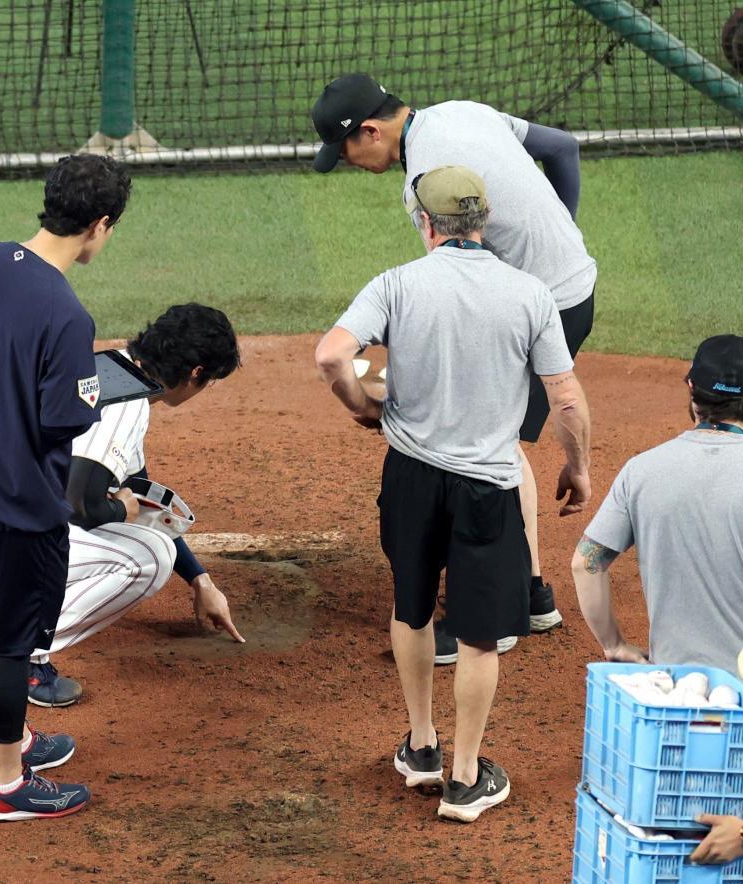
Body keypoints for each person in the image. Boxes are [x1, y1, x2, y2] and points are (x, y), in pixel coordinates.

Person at [315, 165, 591, 822]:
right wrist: (577, 466)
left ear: (425, 222)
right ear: (483, 221)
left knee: (411, 608)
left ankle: (420, 747)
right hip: (489, 486)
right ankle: (465, 779)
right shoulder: (528, 294)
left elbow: (332, 355)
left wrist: (366, 408)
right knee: (478, 638)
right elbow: (568, 399)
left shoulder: (397, 285)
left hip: (411, 475)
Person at [311, 73, 598, 660]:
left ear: (370, 131)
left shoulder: (425, 180)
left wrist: (388, 391)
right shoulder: (462, 110)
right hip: (571, 287)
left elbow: (453, 290)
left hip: (541, 305)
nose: (347, 162)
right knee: (499, 436)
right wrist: (566, 231)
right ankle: (535, 593)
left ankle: (508, 608)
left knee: (490, 441)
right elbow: (562, 149)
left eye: (345, 151)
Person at [0, 153, 131, 821]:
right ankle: (5, 785)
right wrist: (97, 393)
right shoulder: (67, 315)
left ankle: (18, 741)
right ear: (99, 225)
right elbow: (62, 419)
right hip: (22, 507)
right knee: (14, 643)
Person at [0, 303, 245, 708]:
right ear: (195, 373)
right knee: (149, 557)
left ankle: (12, 626)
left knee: (128, 521)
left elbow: (138, 497)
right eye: (209, 380)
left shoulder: (104, 367)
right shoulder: (126, 406)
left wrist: (200, 580)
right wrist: (120, 511)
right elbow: (81, 503)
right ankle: (22, 651)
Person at [572, 334, 743, 866]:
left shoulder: (643, 471)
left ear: (690, 390)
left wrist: (617, 645)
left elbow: (587, 563)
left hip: (678, 722)